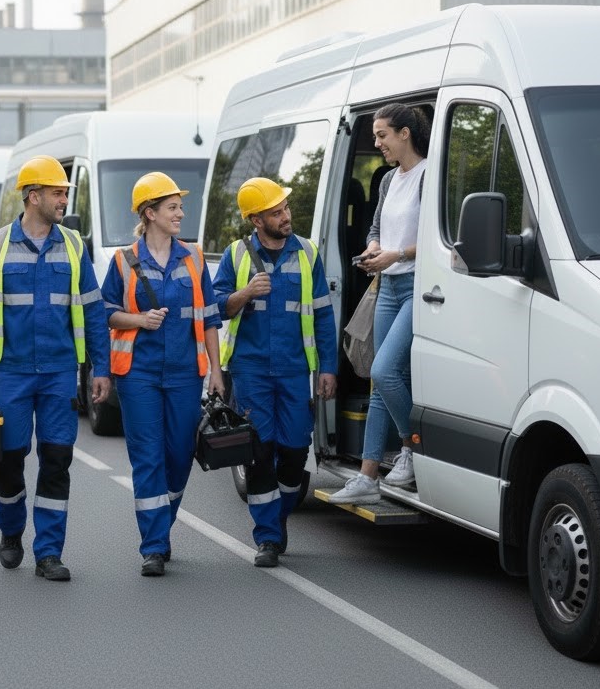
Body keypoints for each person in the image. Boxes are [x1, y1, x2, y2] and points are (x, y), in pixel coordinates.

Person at [0, 155, 111, 582]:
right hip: (11, 372)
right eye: (57, 192)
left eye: (65, 193)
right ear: (32, 196)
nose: (64, 200)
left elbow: (93, 311)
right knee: (9, 459)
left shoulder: (74, 245)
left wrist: (101, 367)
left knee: (57, 459)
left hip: (60, 371)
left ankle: (49, 552)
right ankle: (11, 530)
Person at [101, 172, 223, 577]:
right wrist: (139, 320)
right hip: (138, 374)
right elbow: (105, 312)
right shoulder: (124, 260)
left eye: (180, 207)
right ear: (149, 213)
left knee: (179, 454)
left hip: (186, 373)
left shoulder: (194, 257)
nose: (180, 213)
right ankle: (153, 546)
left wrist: (216, 371)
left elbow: (209, 317)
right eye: (172, 207)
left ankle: (161, 523)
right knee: (148, 457)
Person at [213, 177, 338, 567]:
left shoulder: (307, 253)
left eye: (285, 208)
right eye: (276, 212)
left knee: (295, 450)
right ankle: (267, 536)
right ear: (256, 220)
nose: (286, 216)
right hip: (250, 371)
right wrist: (245, 293)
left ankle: (279, 516)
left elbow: (323, 315)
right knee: (259, 451)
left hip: (294, 370)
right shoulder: (236, 255)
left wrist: (328, 367)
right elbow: (215, 306)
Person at [327, 103, 430, 504]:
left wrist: (396, 255)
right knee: (377, 382)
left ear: (405, 133)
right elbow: (376, 227)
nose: (377, 143)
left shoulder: (428, 175)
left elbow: (437, 237)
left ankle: (412, 446)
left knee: (386, 371)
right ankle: (368, 478)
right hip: (386, 286)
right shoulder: (388, 179)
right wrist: (374, 248)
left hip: (417, 287)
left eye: (382, 135)